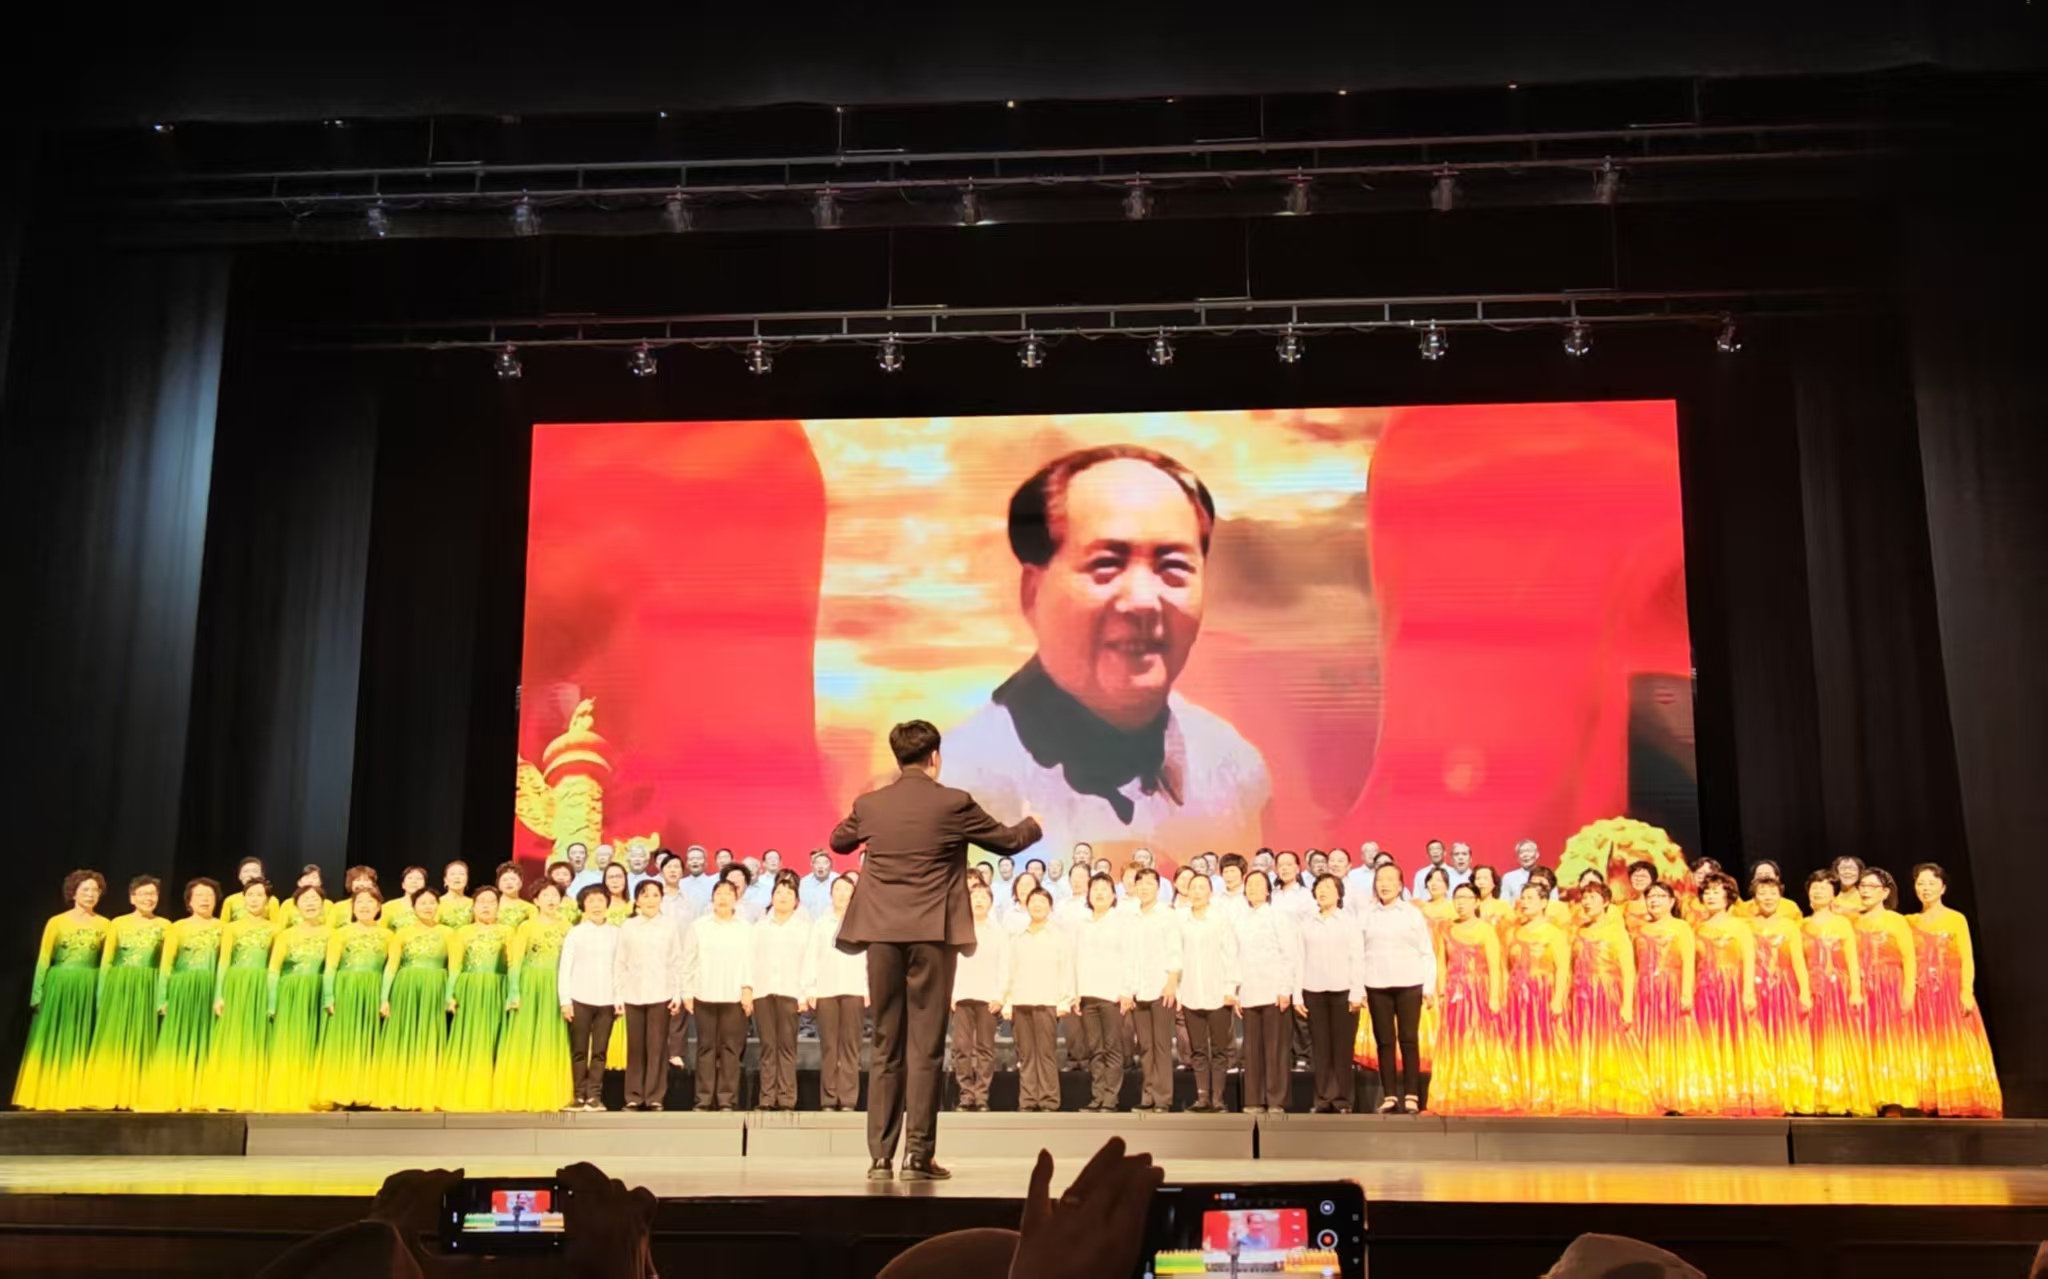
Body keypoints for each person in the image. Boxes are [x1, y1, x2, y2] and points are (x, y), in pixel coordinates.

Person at [939, 445, 1272, 859]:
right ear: (1033, 591)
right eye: (1106, 564)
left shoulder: (1233, 770)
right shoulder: (955, 785)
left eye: (1173, 567)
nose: (1143, 601)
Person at [831, 719, 1042, 1178]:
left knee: (885, 1044)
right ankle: (917, 1156)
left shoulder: (870, 804)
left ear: (897, 758)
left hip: (881, 935)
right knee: (925, 1047)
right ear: (934, 757)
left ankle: (880, 1158)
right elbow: (1008, 842)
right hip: (931, 934)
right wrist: (1034, 824)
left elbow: (839, 841)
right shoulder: (953, 802)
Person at [1907, 862, 2001, 1117]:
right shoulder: (1909, 921)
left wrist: (1966, 991)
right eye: (1920, 883)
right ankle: (1931, 1098)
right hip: (1922, 992)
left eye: (1931, 883)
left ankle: (1960, 1097)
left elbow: (1967, 957)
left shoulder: (1956, 918)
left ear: (1943, 888)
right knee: (1927, 1041)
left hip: (1949, 988)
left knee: (1955, 1040)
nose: (1925, 888)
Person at [13, 871, 109, 1110]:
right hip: (59, 983)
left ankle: (75, 1095)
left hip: (87, 985)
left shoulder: (105, 925)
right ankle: (42, 1094)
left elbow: (105, 963)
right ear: (73, 893)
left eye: (95, 890)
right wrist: (37, 994)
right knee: (51, 1037)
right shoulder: (57, 922)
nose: (90, 894)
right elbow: (44, 959)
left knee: (81, 1037)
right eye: (85, 889)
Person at [79, 874, 170, 1110]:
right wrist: (102, 994)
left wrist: (162, 996)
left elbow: (166, 965)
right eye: (143, 894)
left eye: (153, 894)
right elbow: (107, 961)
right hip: (119, 984)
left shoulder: (165, 926)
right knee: (113, 1036)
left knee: (142, 1037)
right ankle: (106, 1094)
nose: (149, 898)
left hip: (148, 984)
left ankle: (137, 1094)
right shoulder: (118, 924)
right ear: (132, 898)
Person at [133, 877, 224, 1113]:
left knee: (206, 1042)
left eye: (209, 896)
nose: (205, 900)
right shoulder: (177, 928)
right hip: (182, 989)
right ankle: (171, 1093)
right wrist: (162, 997)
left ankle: (200, 1095)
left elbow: (224, 965)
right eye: (199, 895)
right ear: (189, 901)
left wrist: (219, 994)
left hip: (209, 988)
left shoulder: (223, 928)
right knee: (176, 1040)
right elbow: (167, 965)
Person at [1568, 880, 1651, 1115]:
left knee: (1610, 1041)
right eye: (1584, 897)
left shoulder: (1617, 931)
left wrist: (1627, 1005)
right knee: (1585, 1040)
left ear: (1605, 902)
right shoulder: (1580, 931)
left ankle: (1611, 1091)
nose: (1587, 902)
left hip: (1607, 993)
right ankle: (1588, 1091)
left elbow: (1628, 970)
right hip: (1582, 994)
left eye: (1593, 897)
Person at [492, 880, 575, 1112]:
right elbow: (516, 960)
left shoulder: (568, 926)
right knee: (524, 1034)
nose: (550, 899)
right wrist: (514, 990)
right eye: (545, 895)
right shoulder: (526, 927)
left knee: (551, 1035)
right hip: (530, 983)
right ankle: (519, 1092)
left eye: (554, 895)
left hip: (556, 985)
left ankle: (548, 1093)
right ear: (536, 900)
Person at [1690, 873, 1770, 1116]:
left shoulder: (1739, 926)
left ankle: (1736, 1091)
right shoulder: (1698, 927)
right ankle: (1712, 1092)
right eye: (1707, 892)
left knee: (1734, 1037)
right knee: (1708, 1038)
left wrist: (1748, 992)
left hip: (1731, 988)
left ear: (1728, 896)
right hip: (1705, 989)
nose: (1711, 896)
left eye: (1716, 891)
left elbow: (1749, 960)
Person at [194, 876, 276, 1112]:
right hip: (235, 983)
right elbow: (223, 962)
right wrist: (219, 995)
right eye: (249, 895)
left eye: (259, 895)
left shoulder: (275, 929)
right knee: (231, 1038)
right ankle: (226, 1094)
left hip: (260, 985)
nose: (254, 899)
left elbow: (274, 967)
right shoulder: (231, 928)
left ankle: (252, 1095)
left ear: (267, 900)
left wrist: (272, 998)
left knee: (256, 1039)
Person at [1358, 861, 1433, 1114]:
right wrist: (1359, 988)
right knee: (1384, 1041)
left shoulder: (1412, 913)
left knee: (1409, 1039)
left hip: (1409, 983)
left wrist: (1429, 987)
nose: (1385, 885)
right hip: (1376, 984)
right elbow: (1358, 952)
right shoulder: (1367, 914)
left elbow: (1426, 952)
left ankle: (1412, 1094)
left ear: (1401, 885)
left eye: (1391, 880)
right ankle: (1390, 1095)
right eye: (1380, 880)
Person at [1428, 882, 1510, 1114]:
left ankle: (1481, 1089)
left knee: (1478, 1041)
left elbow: (1494, 968)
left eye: (1466, 898)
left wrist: (1494, 997)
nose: (1461, 903)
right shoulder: (1445, 929)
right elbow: (1441, 964)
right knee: (1455, 1040)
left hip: (1479, 994)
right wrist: (1440, 991)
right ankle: (1454, 1089)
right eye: (1457, 898)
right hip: (1454, 995)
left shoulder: (1486, 930)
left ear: (1476, 901)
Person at [370, 887, 450, 1111]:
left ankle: (426, 1093)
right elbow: (391, 967)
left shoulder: (448, 933)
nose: (427, 907)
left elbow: (454, 967)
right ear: (414, 907)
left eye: (432, 902)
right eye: (422, 903)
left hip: (434, 988)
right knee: (402, 1038)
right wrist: (384, 998)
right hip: (405, 988)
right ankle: (396, 1091)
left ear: (438, 906)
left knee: (429, 1038)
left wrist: (449, 994)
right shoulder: (402, 934)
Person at [1801, 871, 1871, 1116]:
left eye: (1824, 887)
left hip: (1837, 989)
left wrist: (1855, 990)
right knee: (1814, 1041)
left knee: (1840, 1039)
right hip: (1812, 990)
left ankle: (1844, 1096)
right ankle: (1817, 1096)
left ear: (1833, 894)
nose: (1818, 891)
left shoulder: (1842, 924)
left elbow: (1852, 959)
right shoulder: (1801, 925)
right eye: (1814, 887)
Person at [682, 877, 754, 1112]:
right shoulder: (699, 926)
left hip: (734, 995)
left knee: (731, 1049)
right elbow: (689, 961)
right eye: (719, 893)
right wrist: (687, 992)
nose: (723, 898)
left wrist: (748, 988)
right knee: (706, 1047)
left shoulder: (745, 928)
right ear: (712, 898)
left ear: (736, 899)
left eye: (728, 893)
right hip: (704, 993)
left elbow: (750, 961)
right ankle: (703, 1098)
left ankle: (726, 1099)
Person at [315, 887, 390, 1110]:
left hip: (372, 988)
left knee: (368, 1040)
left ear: (378, 907)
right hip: (345, 988)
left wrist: (384, 998)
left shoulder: (388, 936)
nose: (365, 906)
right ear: (353, 907)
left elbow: (389, 969)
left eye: (370, 902)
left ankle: (365, 1092)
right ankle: (339, 1091)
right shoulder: (340, 934)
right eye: (360, 902)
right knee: (342, 1040)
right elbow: (331, 967)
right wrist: (329, 996)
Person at [1503, 880, 1574, 1115]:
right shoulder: (1515, 932)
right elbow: (1507, 966)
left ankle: (1545, 1091)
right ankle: (1522, 1090)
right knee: (1519, 1041)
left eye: (1530, 898)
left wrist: (1558, 999)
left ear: (1544, 902)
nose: (1524, 902)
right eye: (1523, 898)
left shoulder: (1554, 932)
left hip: (1543, 994)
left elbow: (1562, 968)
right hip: (1517, 996)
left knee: (1544, 1042)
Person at [613, 880, 684, 1112]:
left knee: (657, 1047)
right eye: (645, 895)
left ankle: (655, 1096)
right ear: (637, 901)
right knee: (635, 1048)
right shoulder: (628, 926)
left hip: (661, 993)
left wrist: (677, 993)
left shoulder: (669, 926)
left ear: (661, 899)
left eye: (655, 895)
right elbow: (620, 962)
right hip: (632, 994)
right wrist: (618, 996)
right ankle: (633, 1096)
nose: (651, 900)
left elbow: (677, 961)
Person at [1747, 874, 1815, 1116]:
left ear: (1780, 896)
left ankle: (1789, 1095)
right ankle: (1763, 1094)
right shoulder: (1747, 925)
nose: (1768, 898)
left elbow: (1798, 962)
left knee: (1786, 1038)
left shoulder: (1789, 926)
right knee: (1758, 1040)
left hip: (1783, 988)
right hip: (1756, 988)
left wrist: (1805, 992)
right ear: (1754, 897)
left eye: (1772, 893)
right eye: (1762, 893)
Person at [441, 885, 513, 1112]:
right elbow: (455, 966)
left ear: (498, 907)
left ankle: (493, 1094)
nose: (486, 906)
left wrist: (513, 991)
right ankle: (465, 1092)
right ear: (473, 906)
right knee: (468, 1038)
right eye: (481, 902)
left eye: (491, 902)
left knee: (496, 1039)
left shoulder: (508, 932)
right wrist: (450, 993)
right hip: (470, 989)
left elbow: (513, 965)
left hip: (497, 988)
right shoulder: (462, 932)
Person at [1852, 868, 1919, 1114]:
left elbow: (1909, 957)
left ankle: (1893, 1098)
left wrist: (1908, 991)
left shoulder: (1896, 920)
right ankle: (1868, 1098)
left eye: (1871, 887)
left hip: (1889, 986)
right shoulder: (1854, 922)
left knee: (1890, 1041)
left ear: (1885, 892)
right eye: (1862, 886)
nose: (1865, 891)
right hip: (1863, 988)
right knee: (1864, 1041)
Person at [263, 885, 335, 1112]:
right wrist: (272, 1001)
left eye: (315, 899)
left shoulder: (331, 934)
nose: (310, 903)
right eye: (305, 899)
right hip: (291, 992)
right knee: (288, 1042)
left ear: (323, 905)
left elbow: (331, 968)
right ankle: (285, 1095)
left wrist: (329, 996)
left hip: (316, 991)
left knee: (314, 1043)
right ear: (296, 906)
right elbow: (274, 970)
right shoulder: (285, 935)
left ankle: (311, 1095)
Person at [1297, 873, 1364, 1114]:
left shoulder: (1349, 922)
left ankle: (1343, 1099)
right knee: (1320, 1048)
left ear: (1339, 893)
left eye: (1328, 887)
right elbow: (1299, 959)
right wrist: (1297, 995)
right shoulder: (1307, 923)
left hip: (1343, 991)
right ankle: (1323, 1098)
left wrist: (1357, 991)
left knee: (1342, 1048)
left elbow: (1357, 958)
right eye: (1319, 887)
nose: (1323, 891)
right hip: (1314, 990)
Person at [1632, 881, 1700, 1115]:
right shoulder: (1640, 930)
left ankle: (1674, 1094)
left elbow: (1689, 961)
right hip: (1645, 991)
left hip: (1671, 988)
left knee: (1672, 1039)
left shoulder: (1681, 927)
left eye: (1660, 896)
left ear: (1671, 901)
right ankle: (1651, 1093)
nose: (1654, 900)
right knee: (1647, 1037)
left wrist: (1686, 991)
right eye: (1650, 896)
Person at [804, 874, 871, 1111]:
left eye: (846, 890)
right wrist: (810, 988)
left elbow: (870, 960)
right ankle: (829, 1098)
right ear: (830, 894)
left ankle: (848, 1099)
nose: (842, 894)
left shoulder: (863, 922)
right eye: (838, 890)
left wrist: (868, 989)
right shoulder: (821, 924)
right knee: (829, 1047)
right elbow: (812, 957)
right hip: (826, 990)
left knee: (851, 1047)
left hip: (855, 989)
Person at [1003, 887, 1073, 1113]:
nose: (1037, 905)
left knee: (1045, 1053)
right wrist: (1007, 1001)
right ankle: (1028, 1099)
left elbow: (1066, 969)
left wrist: (1065, 1000)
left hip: (1047, 1001)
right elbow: (1009, 971)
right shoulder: (1017, 937)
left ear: (1050, 907)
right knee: (1026, 1055)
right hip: (1021, 1001)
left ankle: (1049, 1099)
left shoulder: (1058, 936)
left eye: (1042, 902)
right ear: (1026, 905)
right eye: (1033, 901)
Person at [1233, 870, 1297, 1115]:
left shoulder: (1278, 917)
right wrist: (1236, 991)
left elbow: (1288, 954)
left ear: (1268, 890)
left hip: (1274, 990)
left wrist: (1285, 989)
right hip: (1249, 991)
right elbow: (1236, 957)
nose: (1253, 888)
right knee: (1252, 1049)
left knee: (1275, 1048)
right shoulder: (1241, 920)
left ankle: (1276, 1099)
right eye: (1249, 885)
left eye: (1259, 884)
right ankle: (1254, 1098)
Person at [1176, 875, 1240, 1113]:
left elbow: (1230, 955)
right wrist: (1179, 992)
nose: (1197, 892)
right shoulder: (1181, 921)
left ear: (1210, 893)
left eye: (1202, 887)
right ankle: (1202, 1097)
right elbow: (1176, 957)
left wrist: (1230, 988)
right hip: (1191, 993)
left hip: (1218, 993)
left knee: (1220, 1049)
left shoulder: (1219, 920)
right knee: (1198, 1049)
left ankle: (1218, 1099)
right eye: (1193, 887)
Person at [558, 884, 623, 1112]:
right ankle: (578, 1095)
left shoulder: (616, 933)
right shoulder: (575, 933)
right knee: (579, 1049)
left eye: (600, 900)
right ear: (583, 906)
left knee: (599, 1051)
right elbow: (565, 967)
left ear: (607, 904)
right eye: (591, 901)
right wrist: (565, 1000)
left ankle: (594, 1096)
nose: (596, 905)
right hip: (579, 998)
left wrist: (619, 998)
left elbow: (620, 968)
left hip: (607, 1000)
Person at [1071, 873, 1133, 1112]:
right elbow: (1076, 959)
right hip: (1088, 995)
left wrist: (1127, 991)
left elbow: (1130, 959)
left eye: (1104, 888)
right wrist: (1076, 992)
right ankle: (1097, 1096)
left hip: (1112, 995)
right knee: (1095, 1050)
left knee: (1112, 1049)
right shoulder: (1082, 923)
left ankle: (1110, 1098)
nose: (1099, 893)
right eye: (1095, 888)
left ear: (1113, 895)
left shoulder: (1121, 923)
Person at [751, 871, 810, 1111]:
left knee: (787, 1047)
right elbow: (750, 960)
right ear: (771, 897)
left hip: (791, 992)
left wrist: (804, 994)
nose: (783, 896)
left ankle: (786, 1098)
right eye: (778, 892)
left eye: (788, 893)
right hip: (763, 992)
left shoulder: (804, 929)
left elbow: (808, 963)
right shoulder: (759, 928)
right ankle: (767, 1097)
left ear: (796, 901)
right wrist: (749, 989)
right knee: (768, 1046)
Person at [1125, 867, 1183, 1113]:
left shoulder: (1167, 915)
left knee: (1161, 1046)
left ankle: (1163, 1098)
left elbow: (1175, 949)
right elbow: (1128, 956)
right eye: (1140, 883)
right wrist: (1128, 989)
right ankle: (1148, 1095)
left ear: (1158, 888)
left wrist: (1171, 982)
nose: (1144, 888)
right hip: (1139, 989)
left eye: (1150, 883)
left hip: (1161, 988)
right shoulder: (1131, 916)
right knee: (1145, 1046)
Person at [222, 858, 272, 925]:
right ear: (239, 876)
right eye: (246, 871)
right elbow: (223, 926)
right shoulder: (230, 900)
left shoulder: (271, 900)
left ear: (262, 875)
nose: (250, 874)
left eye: (254, 871)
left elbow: (277, 927)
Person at [380, 867, 429, 931]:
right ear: (403, 885)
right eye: (410, 878)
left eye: (419, 878)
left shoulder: (432, 906)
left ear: (424, 885)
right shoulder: (388, 907)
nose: (414, 881)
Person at [1499, 839, 1543, 904]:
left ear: (1537, 854)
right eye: (1521, 852)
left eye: (1529, 851)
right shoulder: (1508, 877)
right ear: (1517, 858)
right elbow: (1504, 903)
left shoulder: (1547, 876)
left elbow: (1554, 902)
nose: (1525, 855)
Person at [493, 863, 533, 933]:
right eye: (505, 880)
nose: (509, 883)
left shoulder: (530, 908)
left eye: (513, 879)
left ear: (520, 883)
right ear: (498, 884)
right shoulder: (491, 904)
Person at [799, 850, 838, 919]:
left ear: (831, 866)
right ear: (812, 866)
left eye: (825, 863)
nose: (820, 866)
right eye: (817, 863)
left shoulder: (837, 880)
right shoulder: (804, 882)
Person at [439, 861, 475, 929]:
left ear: (467, 879)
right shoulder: (437, 902)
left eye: (461, 874)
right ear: (445, 880)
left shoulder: (474, 903)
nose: (457, 877)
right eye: (452, 874)